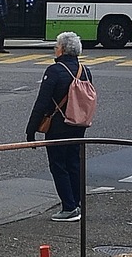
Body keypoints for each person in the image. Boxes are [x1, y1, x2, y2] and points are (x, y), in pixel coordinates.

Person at [26, 30, 93, 221]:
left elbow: (42, 102)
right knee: (74, 163)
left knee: (58, 165)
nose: (54, 50)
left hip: (58, 126)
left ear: (62, 49)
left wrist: (31, 130)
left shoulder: (54, 71)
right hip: (79, 124)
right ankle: (77, 203)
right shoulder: (85, 70)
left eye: (56, 46)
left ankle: (69, 207)